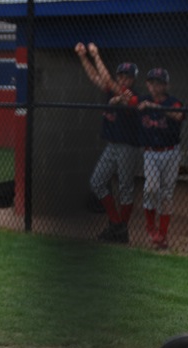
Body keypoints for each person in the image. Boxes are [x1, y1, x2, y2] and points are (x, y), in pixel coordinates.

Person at [75, 42, 140, 244]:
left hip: (127, 146)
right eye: (121, 76)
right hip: (111, 145)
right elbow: (96, 77)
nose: (123, 79)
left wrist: (96, 55)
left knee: (126, 188)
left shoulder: (133, 97)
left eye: (127, 77)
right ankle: (117, 224)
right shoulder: (111, 91)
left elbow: (110, 83)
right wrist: (83, 57)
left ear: (133, 79)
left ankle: (121, 230)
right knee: (97, 182)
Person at [126, 68, 184, 250]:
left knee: (166, 194)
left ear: (166, 86)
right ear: (147, 84)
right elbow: (128, 100)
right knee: (150, 188)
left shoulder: (173, 102)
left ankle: (162, 236)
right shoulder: (142, 99)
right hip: (151, 152)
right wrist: (120, 98)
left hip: (171, 152)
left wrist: (155, 107)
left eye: (159, 83)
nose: (155, 86)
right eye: (152, 82)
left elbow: (179, 115)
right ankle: (151, 227)